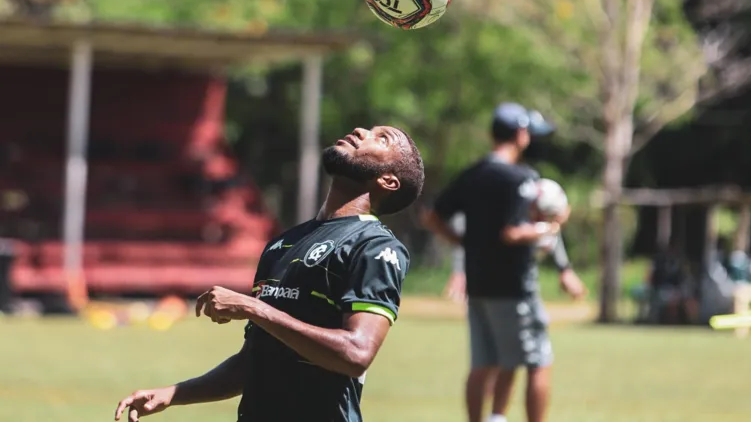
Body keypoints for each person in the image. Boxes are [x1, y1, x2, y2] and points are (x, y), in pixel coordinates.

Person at [114, 126, 425, 422]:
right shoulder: (281, 244)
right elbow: (254, 361)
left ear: (388, 181)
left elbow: (356, 355)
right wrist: (173, 394)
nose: (362, 132)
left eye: (382, 138)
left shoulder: (374, 247)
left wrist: (253, 308)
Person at [421, 103, 585, 422]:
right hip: (514, 289)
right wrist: (549, 227)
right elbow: (512, 233)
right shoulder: (519, 178)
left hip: (479, 287)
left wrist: (466, 243)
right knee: (538, 361)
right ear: (521, 135)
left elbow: (432, 216)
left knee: (484, 364)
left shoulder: (473, 175)